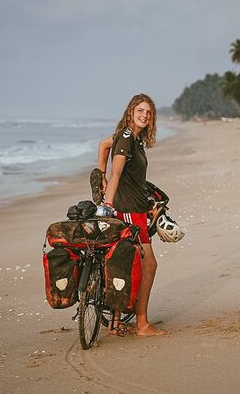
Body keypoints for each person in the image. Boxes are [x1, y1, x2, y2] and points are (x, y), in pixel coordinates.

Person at [96, 93, 167, 337]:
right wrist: (106, 201)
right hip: (126, 211)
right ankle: (142, 324)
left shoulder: (131, 138)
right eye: (140, 110)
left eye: (149, 112)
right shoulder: (126, 137)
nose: (145, 115)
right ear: (130, 111)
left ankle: (117, 324)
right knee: (149, 264)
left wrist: (99, 172)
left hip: (136, 209)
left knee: (125, 263)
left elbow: (103, 144)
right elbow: (116, 175)